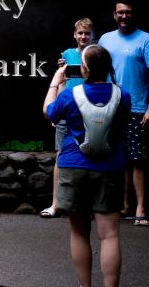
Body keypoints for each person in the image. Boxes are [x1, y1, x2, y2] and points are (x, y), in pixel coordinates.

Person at [44, 44, 130, 287]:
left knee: (79, 233)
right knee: (110, 234)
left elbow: (49, 112)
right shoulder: (123, 95)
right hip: (110, 167)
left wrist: (55, 81)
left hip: (73, 165)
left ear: (84, 69)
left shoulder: (69, 94)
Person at [98, 0, 149, 226]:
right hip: (111, 107)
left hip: (136, 108)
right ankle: (123, 206)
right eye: (120, 12)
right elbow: (96, 68)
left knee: (137, 160)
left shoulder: (146, 40)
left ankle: (140, 208)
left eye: (128, 12)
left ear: (134, 14)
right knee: (118, 158)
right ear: (114, 15)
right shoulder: (105, 39)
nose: (124, 16)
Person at [40, 18, 95, 218]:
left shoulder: (96, 54)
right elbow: (62, 82)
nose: (83, 37)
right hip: (68, 107)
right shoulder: (67, 54)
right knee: (60, 155)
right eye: (80, 33)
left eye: (87, 33)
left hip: (88, 109)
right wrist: (58, 108)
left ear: (92, 35)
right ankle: (56, 204)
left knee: (88, 155)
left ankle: (85, 205)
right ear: (74, 34)